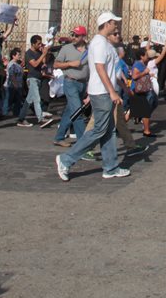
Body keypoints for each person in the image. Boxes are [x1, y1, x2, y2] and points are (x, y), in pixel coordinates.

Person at [55, 12, 130, 181]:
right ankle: (66, 159)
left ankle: (110, 167)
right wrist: (112, 91)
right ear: (107, 24)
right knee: (99, 130)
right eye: (114, 23)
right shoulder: (99, 43)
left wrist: (119, 87)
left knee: (109, 130)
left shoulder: (105, 43)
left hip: (104, 91)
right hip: (102, 92)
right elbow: (100, 69)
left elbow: (110, 70)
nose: (116, 26)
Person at [52, 30, 89, 146]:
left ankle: (59, 137)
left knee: (70, 111)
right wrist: (70, 64)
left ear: (83, 36)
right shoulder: (66, 48)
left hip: (83, 83)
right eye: (73, 35)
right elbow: (56, 64)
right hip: (70, 82)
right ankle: (83, 143)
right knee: (77, 111)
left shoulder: (89, 49)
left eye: (77, 35)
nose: (74, 37)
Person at [18, 35, 50, 126]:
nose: (40, 45)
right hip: (32, 78)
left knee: (29, 100)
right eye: (38, 44)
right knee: (37, 98)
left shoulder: (38, 52)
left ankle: (21, 118)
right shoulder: (29, 53)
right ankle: (40, 118)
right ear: (33, 44)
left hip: (38, 78)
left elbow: (43, 62)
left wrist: (44, 53)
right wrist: (43, 54)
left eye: (41, 43)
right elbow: (35, 64)